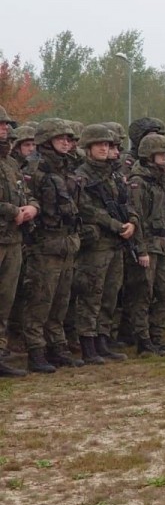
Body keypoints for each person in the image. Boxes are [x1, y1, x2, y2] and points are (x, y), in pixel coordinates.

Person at [22, 119, 85, 373]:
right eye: (61, 139)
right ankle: (36, 351)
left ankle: (57, 347)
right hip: (45, 244)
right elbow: (28, 200)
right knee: (40, 300)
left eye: (69, 139)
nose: (66, 143)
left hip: (67, 241)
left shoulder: (69, 169)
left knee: (61, 300)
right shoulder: (35, 170)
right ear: (47, 141)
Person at [73, 124, 139, 364]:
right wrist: (113, 223)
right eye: (99, 144)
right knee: (91, 293)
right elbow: (85, 207)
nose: (104, 148)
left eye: (108, 144)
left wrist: (132, 221)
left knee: (110, 294)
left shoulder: (113, 173)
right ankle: (88, 343)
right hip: (96, 244)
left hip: (116, 243)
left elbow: (126, 201)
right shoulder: (81, 175)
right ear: (88, 148)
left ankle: (103, 339)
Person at [126, 133, 165, 354]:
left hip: (162, 243)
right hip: (146, 245)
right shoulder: (138, 182)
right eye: (161, 155)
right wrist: (140, 249)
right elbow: (135, 216)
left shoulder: (162, 181)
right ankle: (144, 340)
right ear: (149, 156)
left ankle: (156, 335)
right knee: (143, 294)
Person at [0, 107, 33, 377]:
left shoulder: (11, 164)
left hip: (12, 240)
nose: (5, 130)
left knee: (5, 301)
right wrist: (13, 212)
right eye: (0, 126)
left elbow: (27, 192)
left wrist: (31, 208)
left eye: (6, 126)